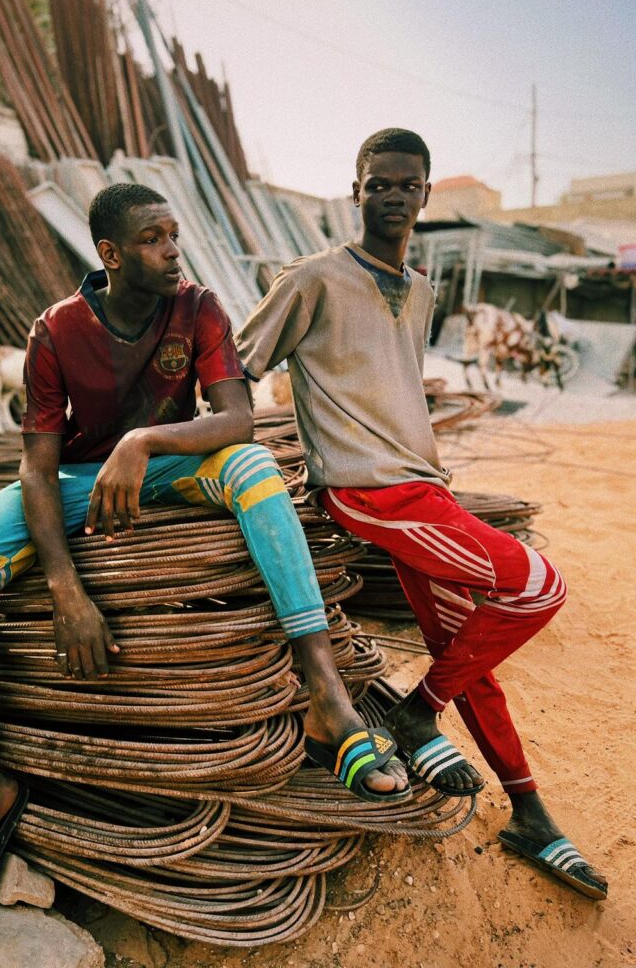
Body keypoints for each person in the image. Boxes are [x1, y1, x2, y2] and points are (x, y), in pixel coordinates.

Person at [0, 182, 410, 926]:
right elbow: (37, 467)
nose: (174, 249)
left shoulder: (199, 307)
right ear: (111, 254)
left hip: (174, 461)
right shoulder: (54, 331)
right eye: (155, 238)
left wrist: (143, 438)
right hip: (80, 480)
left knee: (255, 472)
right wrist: (66, 588)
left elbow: (239, 420)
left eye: (175, 234)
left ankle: (327, 697)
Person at [235, 128, 607, 901]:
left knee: (465, 648)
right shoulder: (311, 279)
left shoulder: (426, 288)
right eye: (379, 184)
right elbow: (237, 369)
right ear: (356, 190)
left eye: (408, 185)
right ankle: (414, 715)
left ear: (426, 196)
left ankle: (530, 811)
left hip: (422, 490)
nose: (393, 196)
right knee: (539, 587)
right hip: (366, 494)